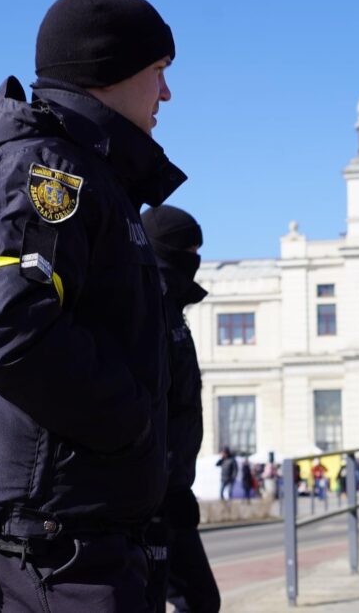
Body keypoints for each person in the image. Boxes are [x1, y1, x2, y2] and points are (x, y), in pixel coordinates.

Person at [0, 0, 184, 612]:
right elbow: (6, 328)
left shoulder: (90, 171)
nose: (166, 94)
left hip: (63, 532)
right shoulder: (47, 169)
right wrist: (131, 423)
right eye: (158, 70)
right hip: (46, 546)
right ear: (109, 68)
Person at [141, 205, 220, 613]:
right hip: (150, 492)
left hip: (170, 488)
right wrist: (159, 485)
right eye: (191, 250)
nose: (197, 259)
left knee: (198, 599)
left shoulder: (171, 305)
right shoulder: (148, 301)